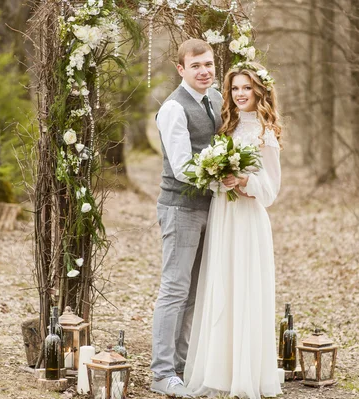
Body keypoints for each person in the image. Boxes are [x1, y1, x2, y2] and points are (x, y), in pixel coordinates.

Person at [184, 62, 284, 399]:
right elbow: (214, 178)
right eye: (235, 88)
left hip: (248, 219)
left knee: (244, 289)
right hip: (224, 216)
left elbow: (270, 190)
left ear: (260, 91)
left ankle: (245, 375)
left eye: (247, 88)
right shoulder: (228, 128)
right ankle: (218, 372)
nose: (240, 94)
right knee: (222, 288)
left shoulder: (264, 133)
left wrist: (244, 180)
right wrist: (218, 178)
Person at [150, 38, 223, 398]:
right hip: (180, 208)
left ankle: (181, 366)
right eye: (196, 66)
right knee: (174, 290)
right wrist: (221, 174)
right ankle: (161, 372)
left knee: (194, 292)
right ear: (181, 70)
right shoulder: (173, 109)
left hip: (211, 208)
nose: (204, 71)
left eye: (208, 64)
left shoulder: (218, 98)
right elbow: (180, 168)